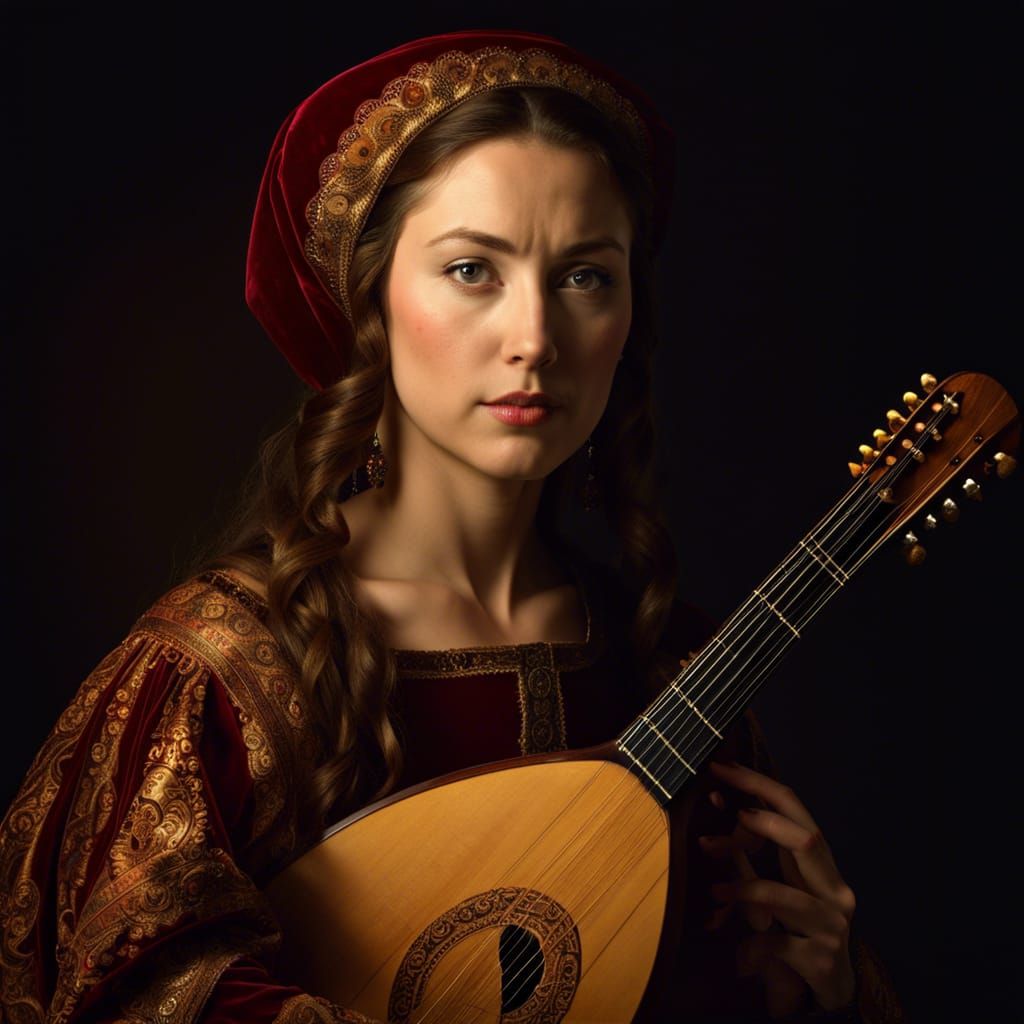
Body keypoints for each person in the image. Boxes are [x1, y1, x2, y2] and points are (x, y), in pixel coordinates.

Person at [0, 29, 906, 1024]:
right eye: (473, 269)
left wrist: (819, 993)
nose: (534, 338)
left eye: (584, 275)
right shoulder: (224, 671)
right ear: (369, 305)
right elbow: (122, 992)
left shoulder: (674, 668)